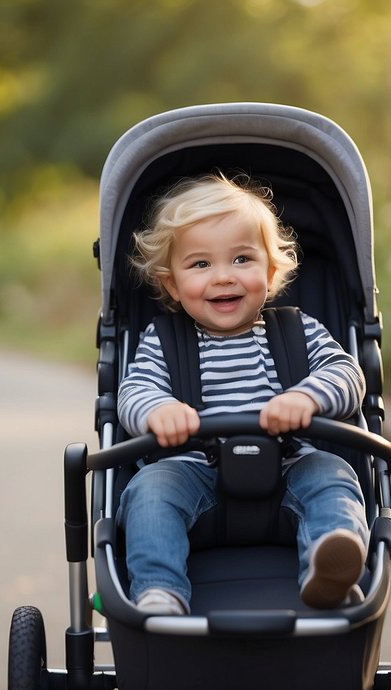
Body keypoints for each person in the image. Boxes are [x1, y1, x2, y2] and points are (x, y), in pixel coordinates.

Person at [117, 172, 369, 615]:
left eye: (241, 260)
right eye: (200, 265)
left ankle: (329, 567)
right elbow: (133, 390)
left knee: (332, 474)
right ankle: (159, 590)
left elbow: (347, 372)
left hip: (290, 463)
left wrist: (308, 397)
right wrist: (158, 409)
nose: (222, 278)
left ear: (270, 273)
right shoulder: (164, 341)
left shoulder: (298, 330)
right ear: (172, 284)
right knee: (149, 489)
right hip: (193, 472)